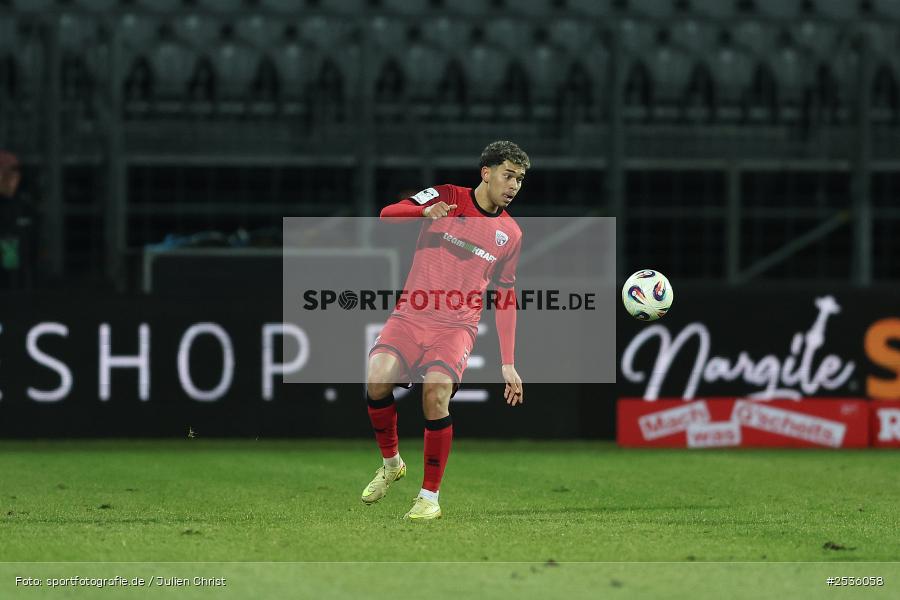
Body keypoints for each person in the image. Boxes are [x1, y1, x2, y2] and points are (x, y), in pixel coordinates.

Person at [362, 140, 529, 521]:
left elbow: (505, 296)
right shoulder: (448, 196)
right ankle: (391, 464)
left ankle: (429, 497)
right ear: (486, 173)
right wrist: (423, 212)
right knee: (376, 381)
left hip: (455, 328)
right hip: (410, 316)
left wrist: (508, 362)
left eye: (519, 179)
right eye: (508, 176)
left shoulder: (511, 234)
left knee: (435, 396)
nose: (514, 186)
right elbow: (387, 214)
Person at [0, 150, 33, 290]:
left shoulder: (18, 200)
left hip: (11, 236)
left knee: (12, 269)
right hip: (11, 234)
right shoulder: (16, 200)